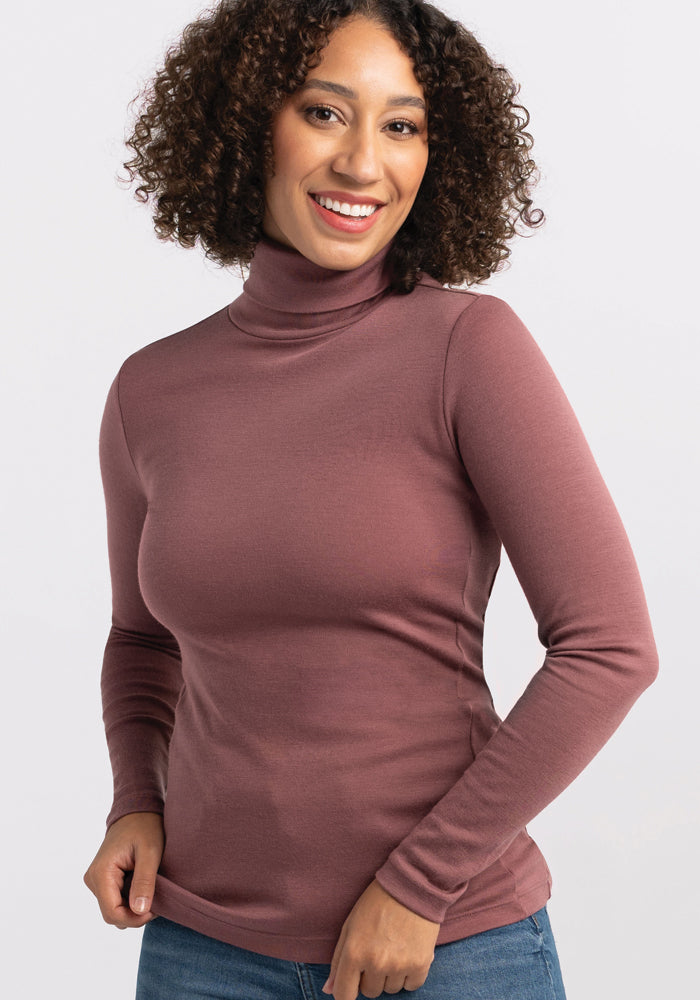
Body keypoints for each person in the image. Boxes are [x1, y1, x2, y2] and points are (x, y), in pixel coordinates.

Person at [83, 2, 659, 998]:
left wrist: (418, 886)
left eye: (402, 126)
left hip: (447, 947)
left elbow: (609, 647)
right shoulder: (151, 390)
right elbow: (143, 643)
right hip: (202, 948)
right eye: (323, 113)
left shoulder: (466, 347)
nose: (363, 163)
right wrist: (136, 801)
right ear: (245, 121)